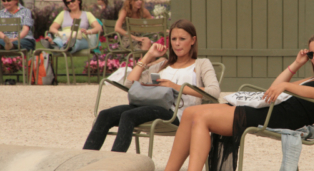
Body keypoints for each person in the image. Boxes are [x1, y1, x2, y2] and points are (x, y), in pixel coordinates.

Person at [142, 32, 314, 171]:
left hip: (280, 118)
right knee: (190, 113)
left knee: (202, 118)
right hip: (269, 110)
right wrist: (296, 65)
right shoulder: (312, 78)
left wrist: (286, 86)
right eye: (311, 54)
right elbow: (274, 89)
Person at [83, 19, 220, 153]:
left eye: (182, 39)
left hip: (177, 115)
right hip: (149, 107)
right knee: (105, 114)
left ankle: (115, 164)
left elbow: (214, 92)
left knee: (128, 116)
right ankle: (85, 162)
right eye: (173, 39)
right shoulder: (163, 65)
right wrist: (148, 56)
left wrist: (175, 86)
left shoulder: (201, 64)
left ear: (193, 40)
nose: (177, 44)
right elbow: (129, 84)